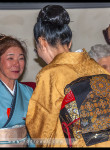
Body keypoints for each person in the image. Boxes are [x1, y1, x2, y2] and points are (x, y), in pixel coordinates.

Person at [26, 5, 110, 147]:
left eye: (37, 48)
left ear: (42, 42)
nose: (38, 53)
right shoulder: (99, 69)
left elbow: (42, 131)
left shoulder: (50, 74)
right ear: (69, 42)